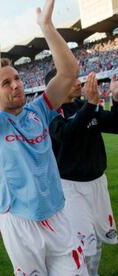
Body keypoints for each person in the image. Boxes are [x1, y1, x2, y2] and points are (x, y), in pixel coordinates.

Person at [0, 0, 88, 274]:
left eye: (17, 78)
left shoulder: (39, 109)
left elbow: (69, 73)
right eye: (6, 82)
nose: (16, 85)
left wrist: (47, 27)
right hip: (19, 222)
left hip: (57, 215)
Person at [47, 70, 118, 275]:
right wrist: (90, 105)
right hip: (71, 188)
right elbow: (67, 135)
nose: (78, 83)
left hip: (98, 183)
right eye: (72, 80)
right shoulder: (52, 112)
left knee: (98, 240)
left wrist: (116, 98)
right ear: (58, 85)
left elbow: (115, 124)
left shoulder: (84, 106)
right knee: (85, 243)